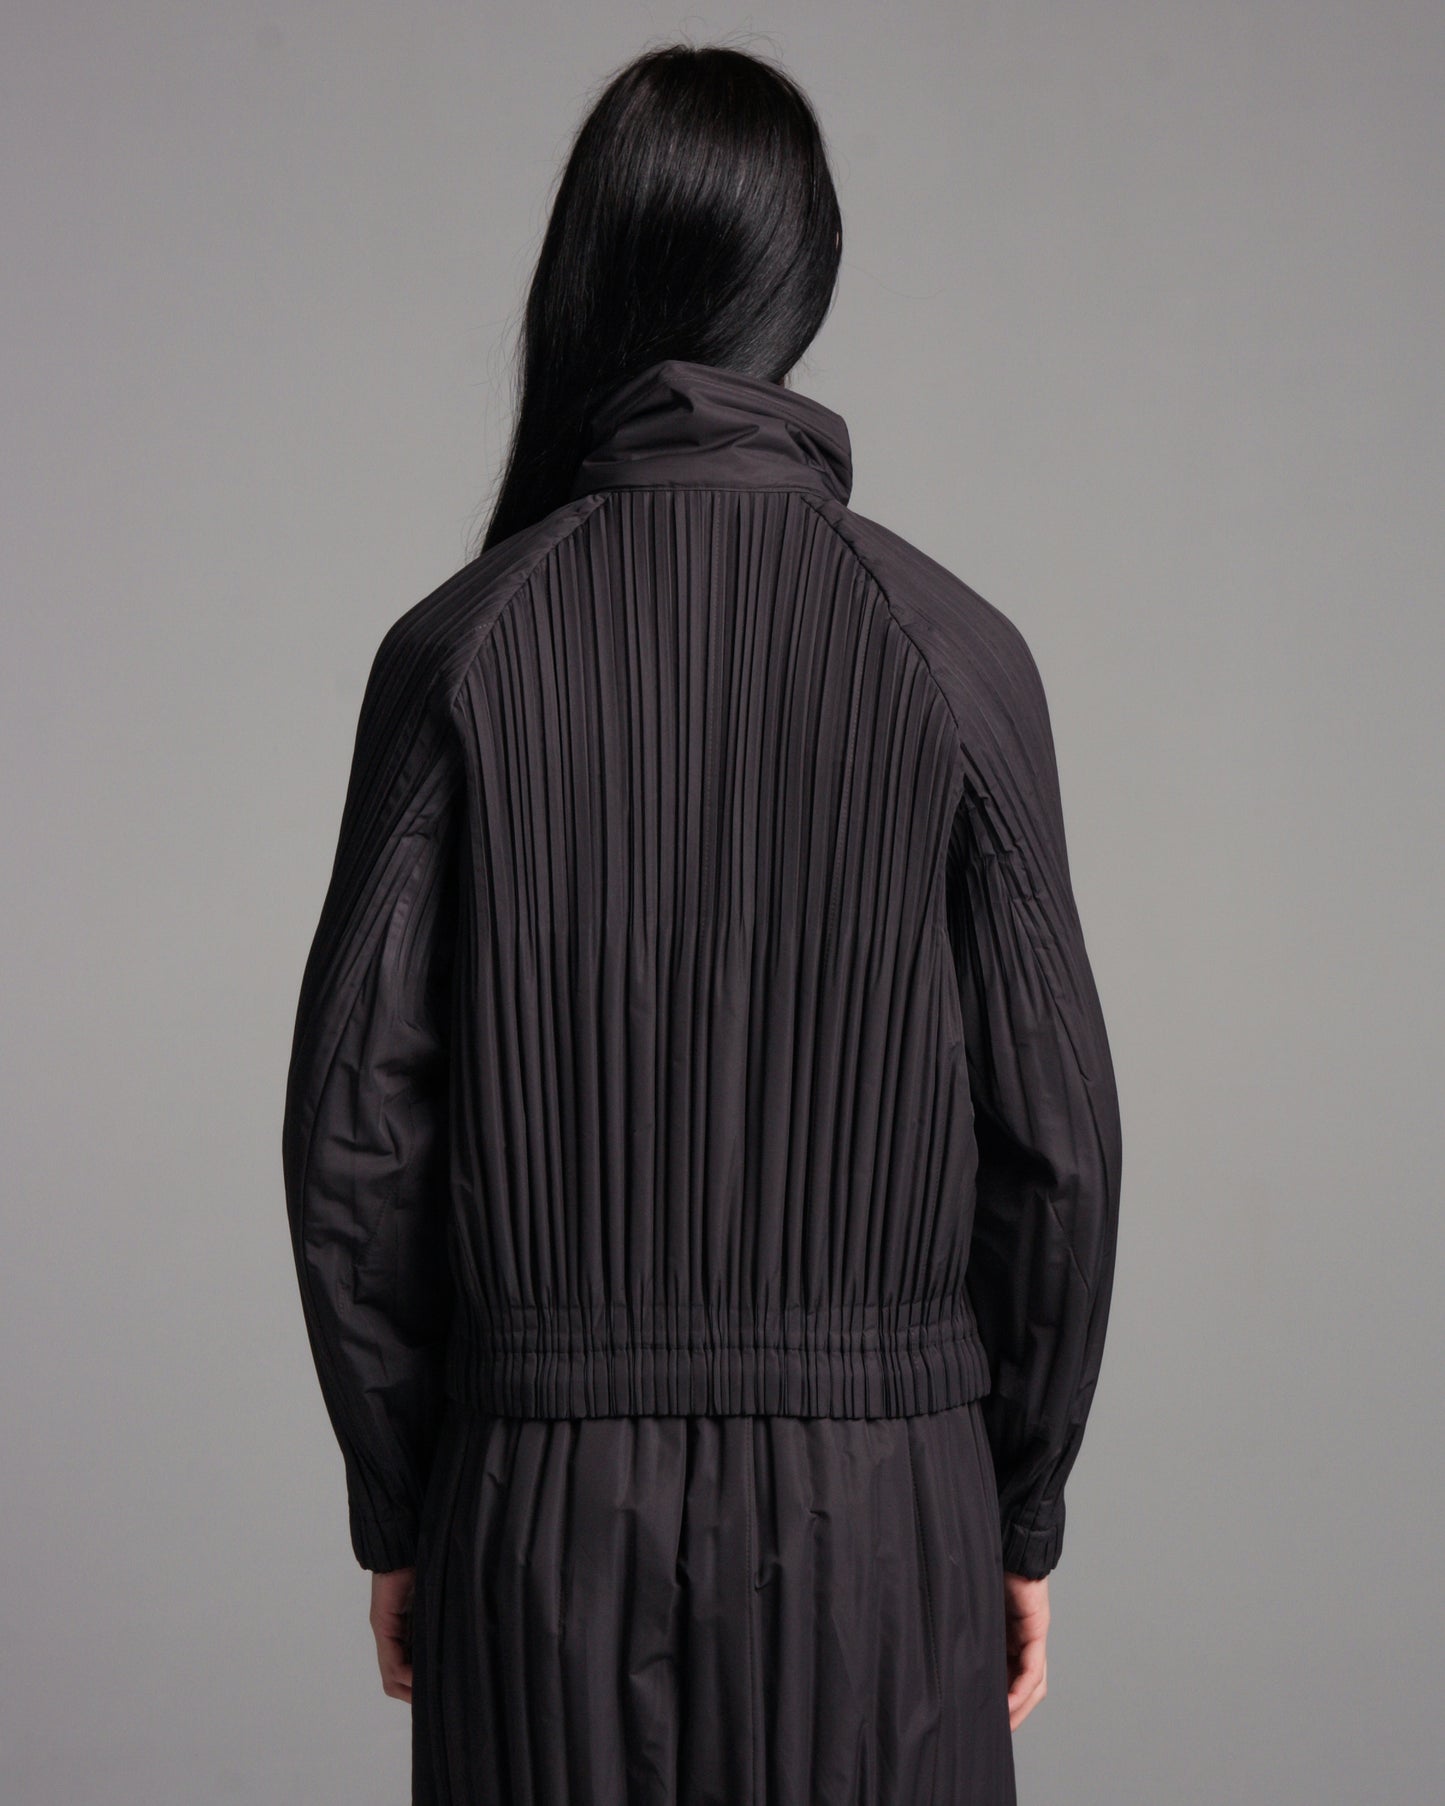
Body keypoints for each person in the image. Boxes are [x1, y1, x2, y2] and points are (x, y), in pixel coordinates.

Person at [282, 39, 1122, 1806]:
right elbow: (1054, 1145)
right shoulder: (954, 656)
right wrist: (1018, 1506)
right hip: (887, 1527)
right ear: (800, 287)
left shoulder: (461, 648)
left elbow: (354, 1132)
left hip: (536, 1528)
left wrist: (404, 1495)